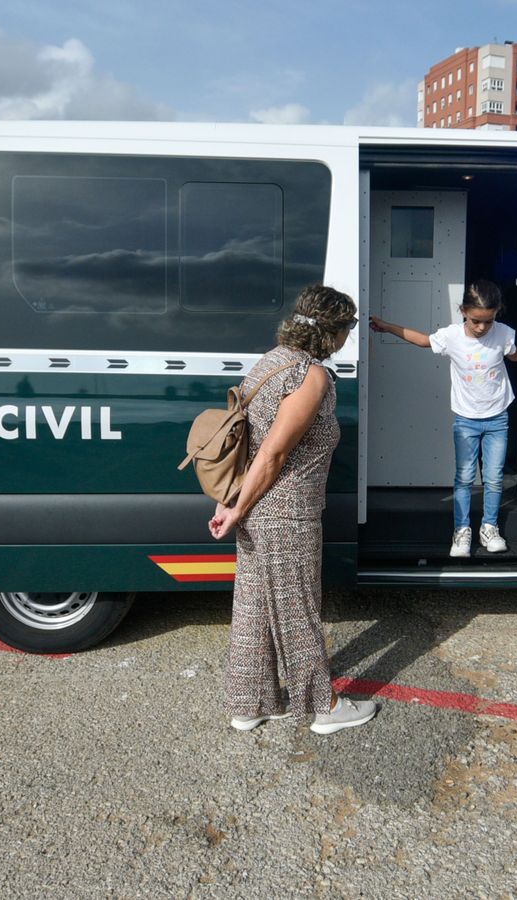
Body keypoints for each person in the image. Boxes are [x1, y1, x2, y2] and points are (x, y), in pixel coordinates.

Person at [208, 285, 378, 735]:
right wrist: (237, 507)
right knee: (297, 608)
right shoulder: (309, 375)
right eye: (350, 326)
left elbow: (246, 443)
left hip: (255, 508)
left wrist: (231, 504)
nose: (350, 334)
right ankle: (324, 706)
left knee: (255, 606)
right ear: (333, 330)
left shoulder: (269, 362)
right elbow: (272, 455)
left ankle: (251, 703)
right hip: (285, 511)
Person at [368, 280, 517, 557]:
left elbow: (515, 354)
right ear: (463, 311)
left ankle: (489, 528)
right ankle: (461, 531)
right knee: (465, 478)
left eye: (488, 321)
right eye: (475, 321)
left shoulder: (504, 333)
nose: (482, 328)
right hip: (466, 420)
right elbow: (423, 340)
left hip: (497, 418)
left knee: (494, 478)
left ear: (496, 315)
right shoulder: (451, 337)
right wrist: (387, 326)